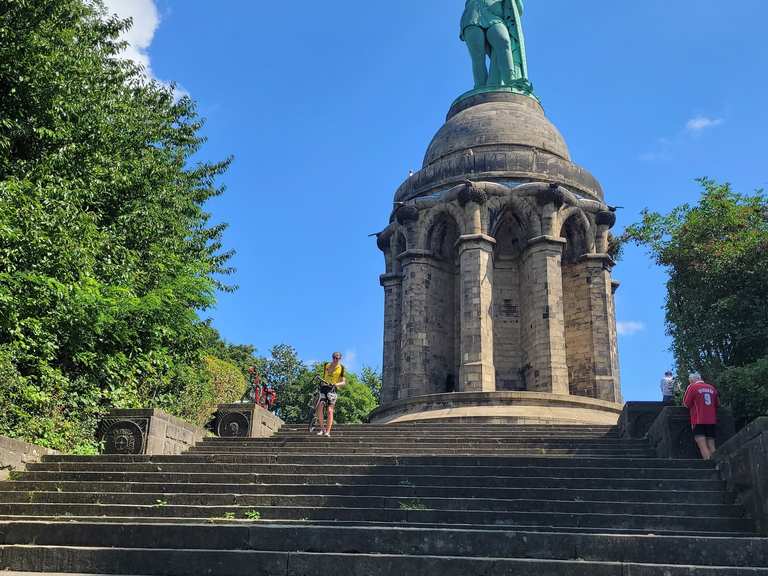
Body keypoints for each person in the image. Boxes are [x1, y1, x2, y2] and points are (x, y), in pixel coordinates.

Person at [683, 372, 720, 460]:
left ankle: (710, 464)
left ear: (692, 380)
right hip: (711, 420)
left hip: (698, 419)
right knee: (711, 444)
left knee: (702, 444)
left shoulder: (692, 387)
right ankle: (718, 463)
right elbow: (717, 404)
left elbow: (686, 404)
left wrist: (688, 389)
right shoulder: (712, 388)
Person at [315, 352, 346, 438]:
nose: (335, 360)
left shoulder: (342, 368)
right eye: (334, 358)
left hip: (332, 389)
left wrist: (336, 384)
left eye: (337, 358)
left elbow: (343, 382)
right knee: (319, 407)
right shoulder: (326, 365)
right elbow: (324, 376)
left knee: (329, 410)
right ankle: (322, 429)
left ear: (340, 359)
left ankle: (328, 431)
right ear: (332, 358)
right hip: (324, 387)